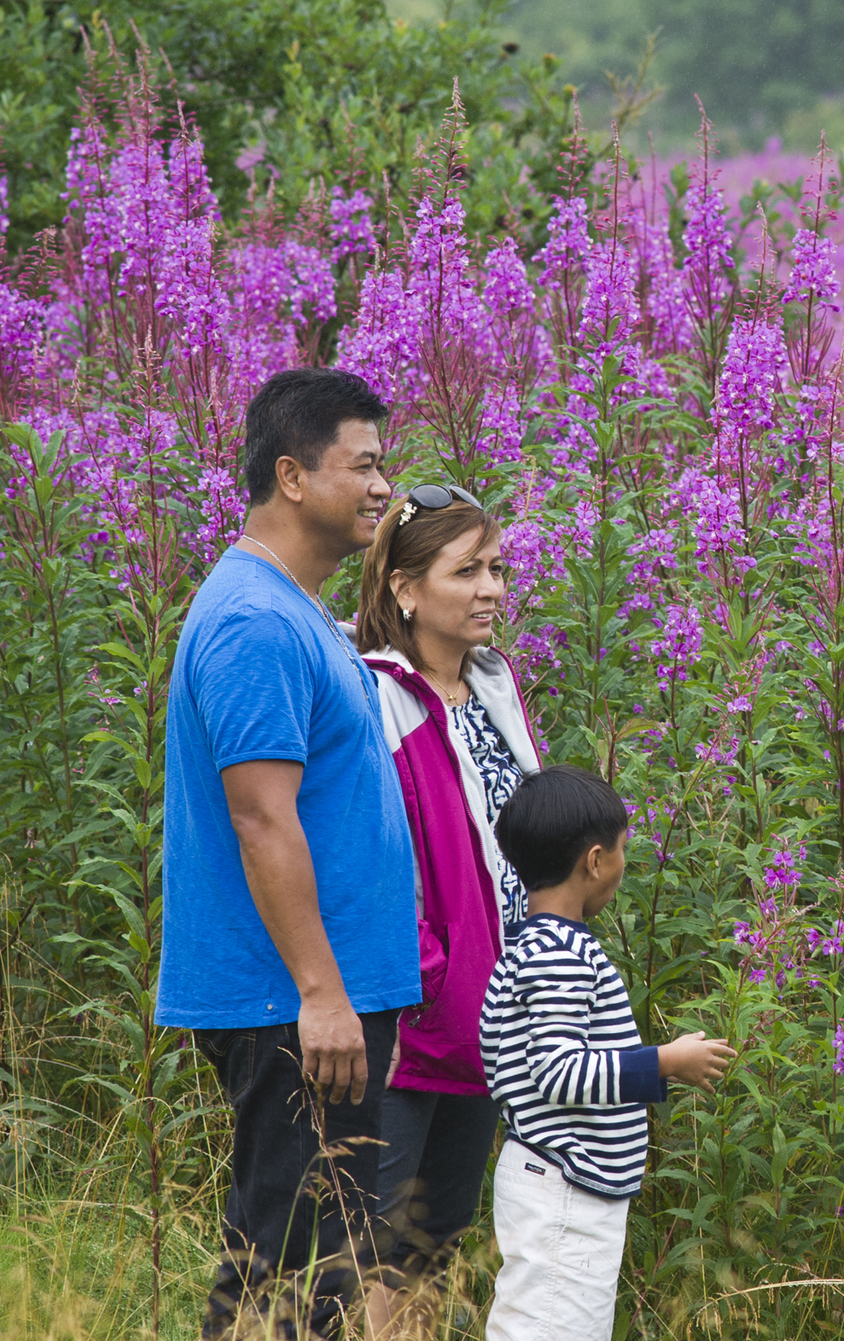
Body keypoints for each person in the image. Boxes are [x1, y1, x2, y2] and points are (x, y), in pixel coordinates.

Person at [159, 368, 419, 1340]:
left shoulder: (297, 611)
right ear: (292, 476)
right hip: (294, 1002)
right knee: (285, 1269)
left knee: (318, 1270)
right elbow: (261, 820)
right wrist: (320, 992)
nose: (383, 486)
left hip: (323, 995)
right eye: (364, 464)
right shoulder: (254, 621)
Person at [354, 484, 542, 1332]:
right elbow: (369, 864)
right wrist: (430, 979)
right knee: (368, 1250)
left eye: (496, 567)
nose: (492, 588)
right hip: (412, 1023)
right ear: (403, 587)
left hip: (493, 1018)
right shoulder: (373, 699)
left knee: (435, 1244)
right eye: (466, 570)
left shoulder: (495, 692)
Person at [479, 767, 737, 1341]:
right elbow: (559, 1071)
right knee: (546, 1327)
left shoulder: (536, 943)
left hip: (566, 1183)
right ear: (595, 861)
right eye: (623, 851)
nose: (624, 865)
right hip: (563, 1186)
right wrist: (665, 1062)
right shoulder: (559, 954)